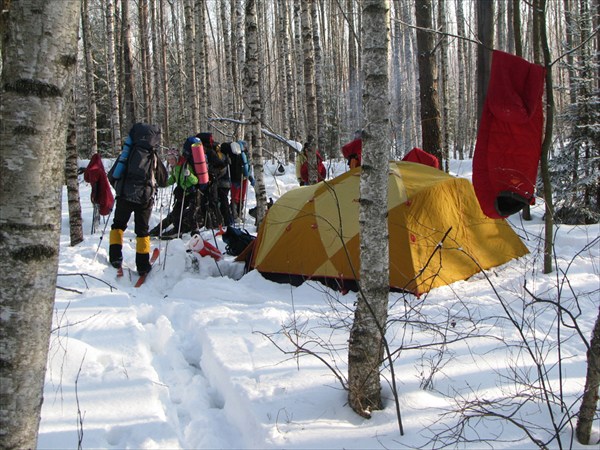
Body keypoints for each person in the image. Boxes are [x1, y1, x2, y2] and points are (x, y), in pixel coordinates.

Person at [108, 123, 168, 275]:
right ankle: (142, 265)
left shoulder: (127, 153)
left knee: (118, 225)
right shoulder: (152, 156)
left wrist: (120, 189)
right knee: (142, 231)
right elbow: (163, 180)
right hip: (145, 199)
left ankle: (115, 257)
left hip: (124, 196)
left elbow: (112, 175)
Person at [149, 147, 199, 239]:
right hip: (181, 194)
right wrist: (163, 184)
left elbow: (195, 181)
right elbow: (173, 179)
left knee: (192, 215)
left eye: (172, 159)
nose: (170, 161)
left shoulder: (186, 166)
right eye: (169, 159)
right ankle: (177, 230)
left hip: (191, 194)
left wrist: (189, 175)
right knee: (176, 212)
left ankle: (195, 233)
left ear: (176, 158)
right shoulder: (175, 167)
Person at [197, 132, 232, 228]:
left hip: (217, 182)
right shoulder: (213, 152)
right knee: (219, 202)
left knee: (216, 202)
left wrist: (211, 173)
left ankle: (220, 223)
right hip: (219, 181)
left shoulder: (210, 152)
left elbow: (221, 166)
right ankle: (223, 222)